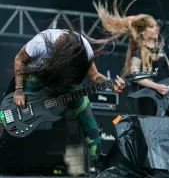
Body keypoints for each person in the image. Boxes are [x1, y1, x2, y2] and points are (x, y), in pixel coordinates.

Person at [4, 29, 125, 174]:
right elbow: (19, 59)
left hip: (67, 83)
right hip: (37, 78)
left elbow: (95, 76)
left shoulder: (85, 49)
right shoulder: (41, 42)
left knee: (86, 114)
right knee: (8, 119)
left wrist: (111, 83)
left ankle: (101, 166)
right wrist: (19, 90)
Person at [84, 0, 169, 117]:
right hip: (150, 94)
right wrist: (156, 86)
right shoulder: (138, 50)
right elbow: (136, 75)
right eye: (152, 26)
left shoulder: (163, 47)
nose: (157, 28)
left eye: (156, 25)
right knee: (151, 128)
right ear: (143, 31)